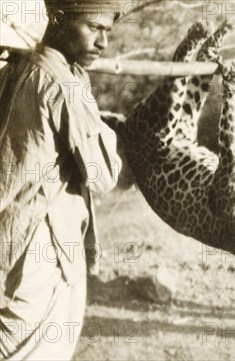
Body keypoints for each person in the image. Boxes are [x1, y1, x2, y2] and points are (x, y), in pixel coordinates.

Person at [0, 1, 123, 358]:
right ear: (58, 21)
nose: (102, 43)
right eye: (93, 27)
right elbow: (103, 174)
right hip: (42, 248)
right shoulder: (63, 84)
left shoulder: (17, 68)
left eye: (107, 33)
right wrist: (90, 108)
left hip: (13, 236)